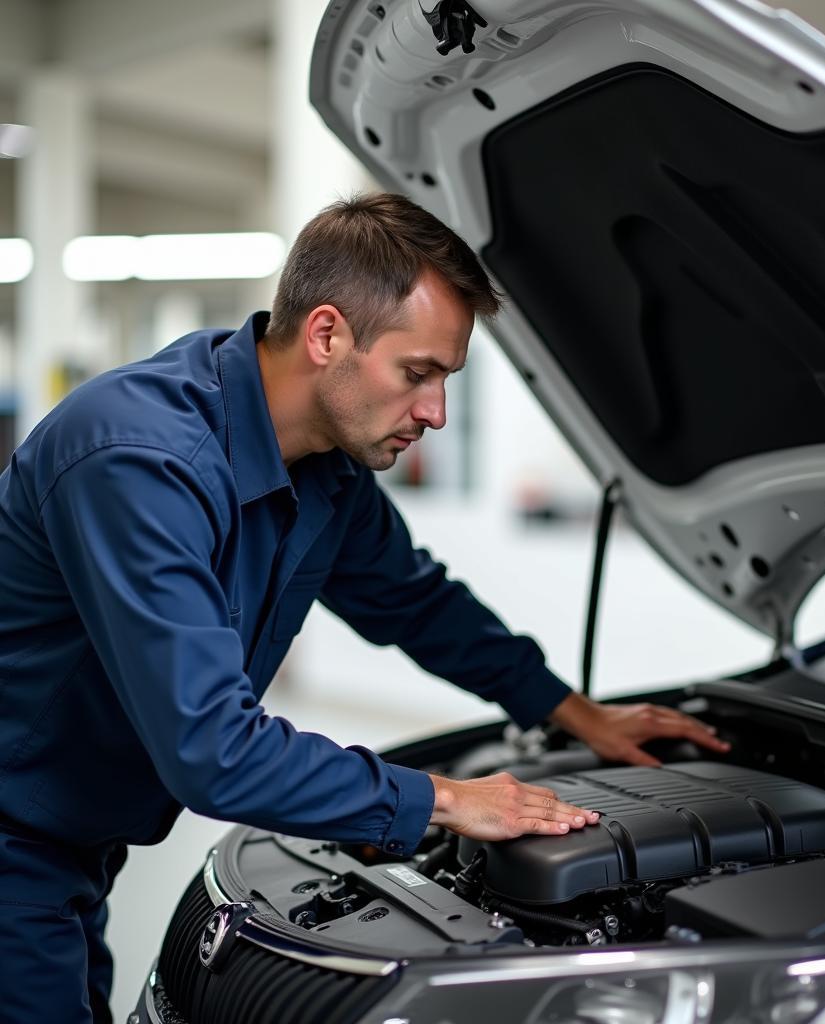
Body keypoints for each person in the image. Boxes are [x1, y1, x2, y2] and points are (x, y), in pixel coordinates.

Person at [0, 192, 727, 1022]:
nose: (436, 413)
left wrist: (575, 713)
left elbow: (415, 602)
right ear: (325, 336)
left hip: (71, 838)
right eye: (417, 374)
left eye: (446, 380)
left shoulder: (325, 467)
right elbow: (212, 748)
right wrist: (447, 800)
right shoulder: (138, 460)